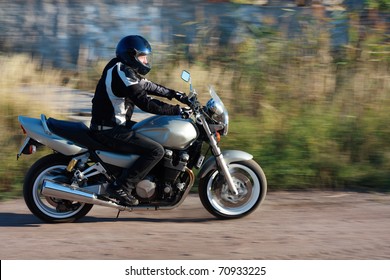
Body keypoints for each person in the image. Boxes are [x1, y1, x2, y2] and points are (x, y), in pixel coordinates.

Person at [90, 35, 190, 205]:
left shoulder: (121, 68)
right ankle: (122, 187)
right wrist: (177, 110)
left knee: (152, 136)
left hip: (114, 124)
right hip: (109, 129)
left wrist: (176, 94)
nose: (145, 61)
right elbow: (145, 103)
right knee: (155, 151)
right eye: (142, 57)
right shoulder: (122, 72)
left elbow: (148, 85)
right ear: (131, 55)